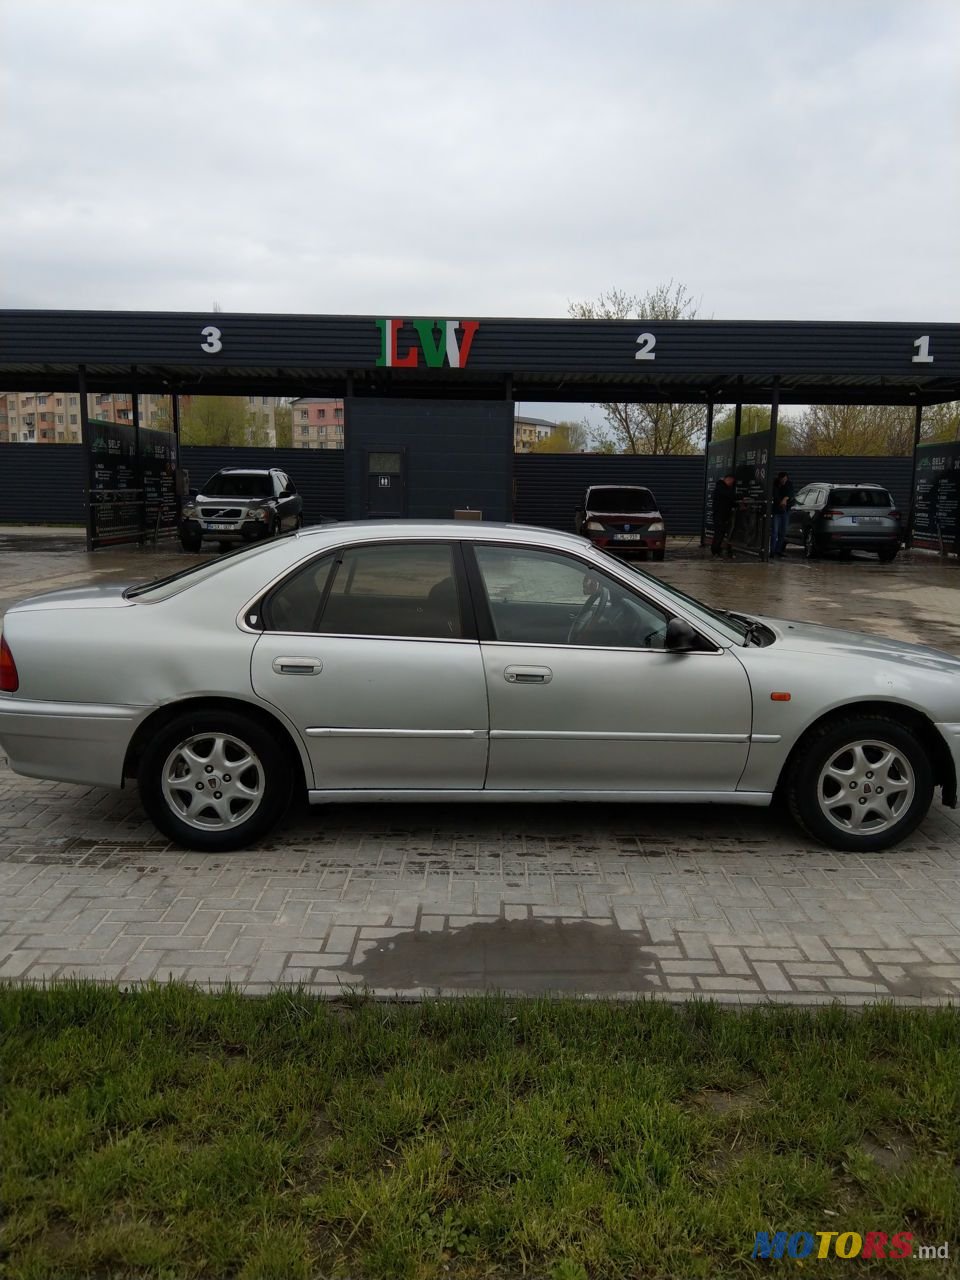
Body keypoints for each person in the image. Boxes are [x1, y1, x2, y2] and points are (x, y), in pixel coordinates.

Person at [711, 472, 738, 558]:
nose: (731, 484)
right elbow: (729, 496)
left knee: (720, 533)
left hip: (723, 514)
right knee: (719, 533)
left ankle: (716, 549)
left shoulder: (723, 488)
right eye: (731, 482)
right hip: (719, 514)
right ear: (728, 479)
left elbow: (729, 501)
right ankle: (715, 550)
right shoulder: (721, 487)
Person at [770, 471, 795, 557]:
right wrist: (781, 501)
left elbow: (791, 494)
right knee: (775, 532)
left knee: (783, 532)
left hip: (785, 510)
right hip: (776, 511)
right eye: (782, 480)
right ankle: (772, 551)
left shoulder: (789, 484)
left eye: (785, 480)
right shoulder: (775, 484)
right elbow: (774, 495)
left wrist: (785, 499)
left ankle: (778, 550)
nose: (783, 481)